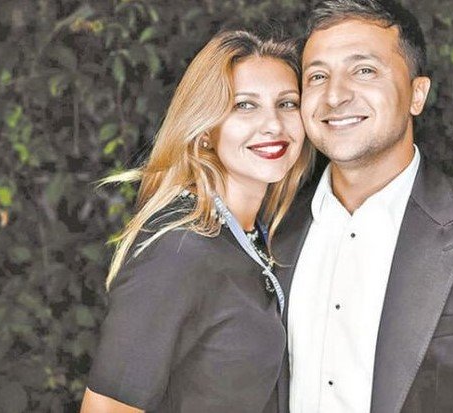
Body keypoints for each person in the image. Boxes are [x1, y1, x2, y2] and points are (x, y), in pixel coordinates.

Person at [273, 1, 453, 412]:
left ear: (418, 94)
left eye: (364, 70)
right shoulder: (273, 227)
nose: (335, 95)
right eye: (318, 76)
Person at [80, 26, 314, 413]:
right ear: (206, 129)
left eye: (287, 103)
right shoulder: (179, 248)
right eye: (245, 105)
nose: (274, 124)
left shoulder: (254, 237)